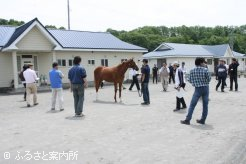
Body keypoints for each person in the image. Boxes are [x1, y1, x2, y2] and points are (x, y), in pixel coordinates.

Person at [181, 57, 211, 125]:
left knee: (192, 105)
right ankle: (203, 120)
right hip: (206, 88)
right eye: (203, 62)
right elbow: (209, 79)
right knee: (205, 105)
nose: (204, 63)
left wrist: (194, 83)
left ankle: (187, 120)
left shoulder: (192, 70)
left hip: (197, 89)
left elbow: (188, 79)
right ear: (201, 63)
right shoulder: (206, 70)